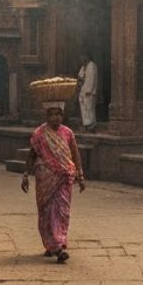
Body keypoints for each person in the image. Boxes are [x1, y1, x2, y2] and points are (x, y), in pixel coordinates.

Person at [22, 101, 86, 262]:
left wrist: (80, 174)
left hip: (64, 177)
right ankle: (53, 245)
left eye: (58, 114)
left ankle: (58, 243)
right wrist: (25, 175)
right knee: (46, 212)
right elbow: (32, 155)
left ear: (62, 116)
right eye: (52, 114)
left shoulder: (68, 133)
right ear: (47, 116)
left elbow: (75, 153)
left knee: (62, 212)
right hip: (45, 177)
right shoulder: (39, 134)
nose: (56, 118)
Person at [76, 53, 98, 132]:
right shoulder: (84, 66)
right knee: (84, 107)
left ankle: (91, 125)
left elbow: (91, 79)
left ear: (86, 56)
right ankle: (86, 124)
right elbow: (80, 77)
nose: (81, 59)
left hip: (89, 91)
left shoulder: (91, 66)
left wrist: (89, 90)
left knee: (89, 107)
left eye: (82, 57)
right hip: (83, 90)